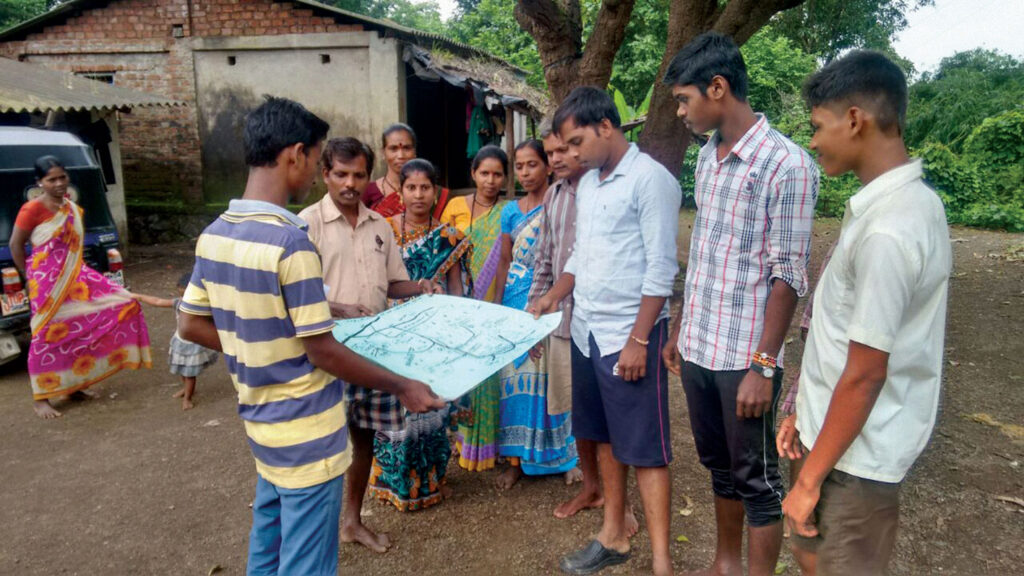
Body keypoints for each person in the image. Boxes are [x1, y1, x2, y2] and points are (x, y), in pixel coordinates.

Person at [177, 97, 443, 576]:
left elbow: (190, 323)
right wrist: (404, 385)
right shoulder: (292, 240)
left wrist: (259, 342)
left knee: (269, 548)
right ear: (296, 155)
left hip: (262, 422)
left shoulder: (215, 234)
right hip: (307, 429)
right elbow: (319, 349)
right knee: (307, 563)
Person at [777, 51, 951, 576]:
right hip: (832, 439)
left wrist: (809, 481)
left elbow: (866, 371)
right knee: (813, 560)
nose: (811, 140)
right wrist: (802, 414)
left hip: (853, 458)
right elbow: (837, 334)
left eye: (817, 126)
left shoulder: (888, 230)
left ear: (855, 119)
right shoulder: (901, 207)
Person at [660, 32, 818, 576]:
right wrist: (682, 322)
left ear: (718, 87)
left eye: (684, 99)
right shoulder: (707, 157)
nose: (680, 111)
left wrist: (764, 365)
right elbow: (706, 250)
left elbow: (789, 275)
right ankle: (725, 564)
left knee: (757, 479)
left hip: (745, 357)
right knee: (718, 468)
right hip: (702, 344)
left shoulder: (787, 166)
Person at [533, 86, 681, 576]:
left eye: (576, 143)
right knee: (602, 438)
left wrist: (640, 340)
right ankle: (613, 535)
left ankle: (662, 561)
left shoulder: (650, 180)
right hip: (587, 330)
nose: (570, 155)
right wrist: (555, 295)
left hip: (627, 335)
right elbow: (581, 254)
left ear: (606, 127)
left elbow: (661, 269)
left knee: (646, 448)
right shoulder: (592, 182)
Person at [298, 137, 440, 553]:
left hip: (372, 353)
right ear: (325, 174)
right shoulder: (306, 226)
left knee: (362, 441)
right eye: (341, 174)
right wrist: (337, 307)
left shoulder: (380, 225)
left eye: (358, 174)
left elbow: (391, 281)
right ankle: (313, 533)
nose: (350, 183)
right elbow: (293, 294)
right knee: (320, 444)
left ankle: (351, 522)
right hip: (325, 351)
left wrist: (420, 287)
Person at [367, 158, 474, 512]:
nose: (418, 194)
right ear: (401, 191)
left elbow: (457, 290)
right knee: (394, 408)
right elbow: (375, 284)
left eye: (425, 187)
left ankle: (430, 481)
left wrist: (456, 329)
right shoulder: (382, 231)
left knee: (429, 409)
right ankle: (390, 480)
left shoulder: (449, 237)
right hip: (392, 335)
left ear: (435, 191)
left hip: (433, 334)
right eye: (411, 187)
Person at [10, 155, 152, 419]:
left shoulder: (70, 207)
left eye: (62, 177)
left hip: (76, 275)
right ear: (39, 182)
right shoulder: (31, 210)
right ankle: (41, 396)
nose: (59, 183)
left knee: (108, 312)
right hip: (45, 282)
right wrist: (29, 277)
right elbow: (15, 245)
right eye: (51, 179)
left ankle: (75, 385)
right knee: (46, 336)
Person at [490, 139, 579, 490]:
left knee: (554, 380)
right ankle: (516, 461)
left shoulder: (561, 203)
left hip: (552, 297)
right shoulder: (510, 211)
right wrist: (498, 307)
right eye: (520, 166)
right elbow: (504, 261)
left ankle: (568, 459)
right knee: (514, 384)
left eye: (532, 165)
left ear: (547, 166)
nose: (525, 173)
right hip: (515, 299)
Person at [439, 145, 509, 472]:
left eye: (497, 174)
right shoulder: (454, 206)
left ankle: (488, 444)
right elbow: (441, 250)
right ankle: (462, 440)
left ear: (505, 177)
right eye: (484, 173)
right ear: (473, 173)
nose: (490, 180)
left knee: (490, 374)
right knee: (462, 372)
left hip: (494, 301)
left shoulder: (508, 212)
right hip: (460, 302)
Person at [132, 272, 219, 410]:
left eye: (187, 295)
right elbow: (158, 301)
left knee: (189, 374)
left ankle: (187, 398)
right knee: (182, 370)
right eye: (181, 294)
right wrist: (140, 297)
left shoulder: (204, 306)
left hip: (194, 345)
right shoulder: (179, 303)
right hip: (180, 342)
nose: (184, 298)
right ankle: (186, 389)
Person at [361, 123, 450, 219]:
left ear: (414, 151)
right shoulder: (368, 191)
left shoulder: (436, 194)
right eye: (393, 149)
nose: (400, 155)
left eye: (406, 148)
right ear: (383, 153)